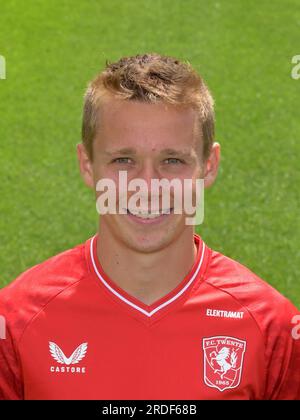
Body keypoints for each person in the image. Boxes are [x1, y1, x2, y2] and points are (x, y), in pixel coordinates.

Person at [0, 53, 299, 400]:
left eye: (172, 161)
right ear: (87, 165)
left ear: (209, 166)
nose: (147, 184)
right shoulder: (16, 321)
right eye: (123, 160)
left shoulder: (272, 328)